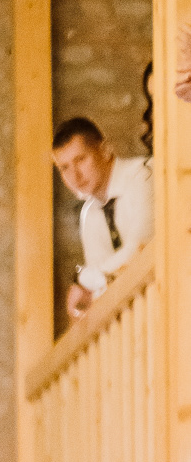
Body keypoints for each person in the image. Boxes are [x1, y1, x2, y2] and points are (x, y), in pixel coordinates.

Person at [52, 116, 154, 323]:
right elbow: (102, 287)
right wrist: (90, 285)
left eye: (80, 160)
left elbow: (140, 249)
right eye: (64, 168)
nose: (74, 176)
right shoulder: (90, 214)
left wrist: (82, 280)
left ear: (106, 150)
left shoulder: (145, 175)